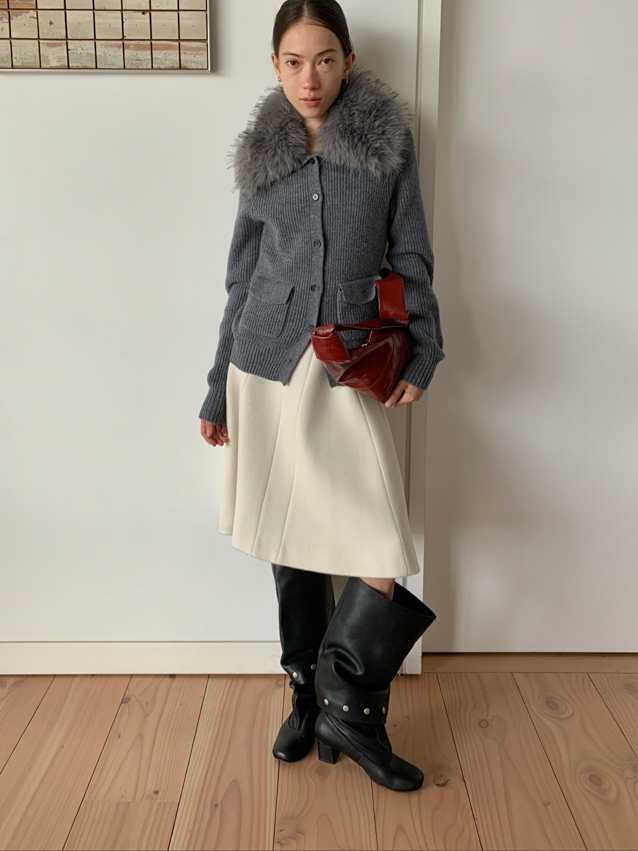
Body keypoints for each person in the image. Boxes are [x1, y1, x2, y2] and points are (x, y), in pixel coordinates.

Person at [199, 0, 444, 793]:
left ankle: (351, 708)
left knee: (379, 541)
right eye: (295, 61)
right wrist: (216, 387)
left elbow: (412, 253)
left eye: (327, 58)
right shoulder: (261, 156)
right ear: (275, 65)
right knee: (291, 539)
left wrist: (426, 347)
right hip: (265, 363)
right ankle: (307, 693)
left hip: (348, 362)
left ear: (348, 61)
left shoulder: (384, 143)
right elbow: (242, 278)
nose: (311, 77)